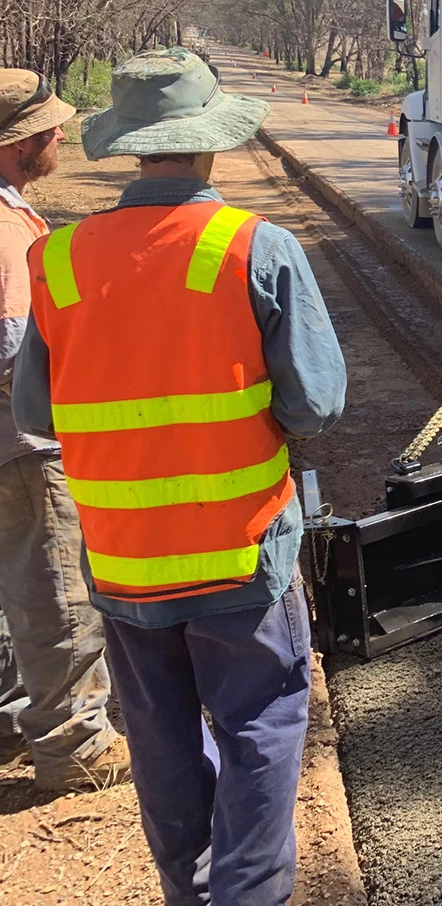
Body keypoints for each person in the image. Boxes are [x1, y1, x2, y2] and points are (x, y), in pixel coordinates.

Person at [14, 48, 347, 904]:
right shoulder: (252, 248)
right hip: (239, 558)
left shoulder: (57, 261)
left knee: (161, 742)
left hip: (124, 565)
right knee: (261, 728)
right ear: (211, 144)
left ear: (127, 144)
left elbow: (35, 418)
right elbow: (315, 405)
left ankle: (188, 891)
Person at [0, 69, 130, 793]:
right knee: (54, 590)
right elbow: (14, 354)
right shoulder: (6, 229)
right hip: (22, 448)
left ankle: (16, 714)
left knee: (14, 585)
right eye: (50, 130)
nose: (60, 137)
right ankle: (74, 744)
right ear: (21, 142)